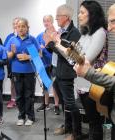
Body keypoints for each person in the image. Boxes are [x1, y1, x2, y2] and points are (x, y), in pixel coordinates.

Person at [52, 1, 108, 140]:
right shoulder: (85, 33)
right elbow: (74, 59)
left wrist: (70, 52)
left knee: (95, 122)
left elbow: (84, 60)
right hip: (82, 83)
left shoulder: (100, 32)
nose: (78, 15)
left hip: (93, 84)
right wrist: (59, 44)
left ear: (92, 14)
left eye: (82, 12)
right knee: (91, 119)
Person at [46, 4, 82, 140]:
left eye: (57, 16)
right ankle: (67, 126)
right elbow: (55, 50)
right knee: (63, 102)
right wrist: (49, 45)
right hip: (56, 70)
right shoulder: (60, 30)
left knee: (71, 103)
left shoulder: (74, 33)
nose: (56, 19)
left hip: (66, 73)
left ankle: (76, 133)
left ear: (66, 17)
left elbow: (67, 54)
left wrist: (52, 43)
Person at [6, 18, 40, 126]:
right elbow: (8, 57)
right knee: (19, 95)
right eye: (19, 26)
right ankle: (21, 116)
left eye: (23, 26)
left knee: (29, 95)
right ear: (16, 28)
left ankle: (30, 117)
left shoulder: (32, 39)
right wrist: (12, 52)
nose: (21, 28)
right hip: (16, 71)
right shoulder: (12, 40)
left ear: (27, 27)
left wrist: (28, 56)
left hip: (29, 71)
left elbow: (40, 55)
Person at [36, 15, 60, 115]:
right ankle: (46, 104)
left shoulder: (57, 34)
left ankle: (56, 105)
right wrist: (40, 49)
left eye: (48, 21)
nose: (46, 23)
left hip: (54, 64)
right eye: (44, 21)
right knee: (45, 85)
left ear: (52, 22)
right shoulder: (39, 36)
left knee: (55, 85)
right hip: (43, 64)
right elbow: (36, 51)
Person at [4, 17, 22, 109]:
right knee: (13, 82)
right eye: (14, 24)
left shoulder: (27, 36)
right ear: (13, 26)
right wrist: (12, 52)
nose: (16, 25)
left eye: (18, 24)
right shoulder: (9, 37)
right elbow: (5, 52)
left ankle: (21, 100)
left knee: (23, 83)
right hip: (12, 64)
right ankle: (13, 99)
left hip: (23, 65)